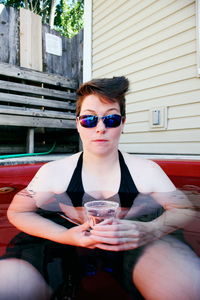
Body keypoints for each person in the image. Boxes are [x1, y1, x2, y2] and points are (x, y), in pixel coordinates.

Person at [0, 76, 200, 300]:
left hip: (133, 236)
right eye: (89, 120)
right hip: (65, 237)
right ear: (78, 124)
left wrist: (151, 230)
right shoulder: (55, 172)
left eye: (111, 119)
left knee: (186, 289)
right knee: (8, 287)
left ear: (123, 124)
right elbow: (18, 211)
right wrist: (65, 235)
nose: (100, 128)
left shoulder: (147, 171)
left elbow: (182, 209)